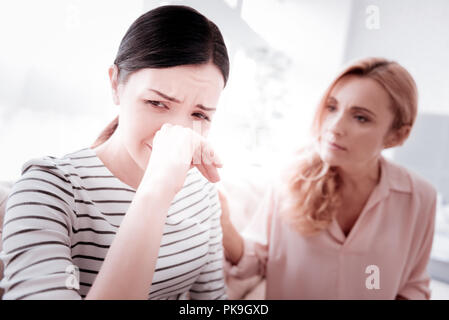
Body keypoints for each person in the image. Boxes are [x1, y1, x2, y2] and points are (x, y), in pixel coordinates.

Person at [0, 5, 229, 300]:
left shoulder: (202, 192)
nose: (177, 132)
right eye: (157, 103)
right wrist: (156, 191)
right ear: (115, 84)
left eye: (199, 115)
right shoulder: (49, 190)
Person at [219, 57, 437, 299]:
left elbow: (414, 285)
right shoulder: (288, 178)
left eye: (360, 117)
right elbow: (256, 260)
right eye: (332, 108)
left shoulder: (420, 197)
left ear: (396, 135)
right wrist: (226, 226)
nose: (334, 127)